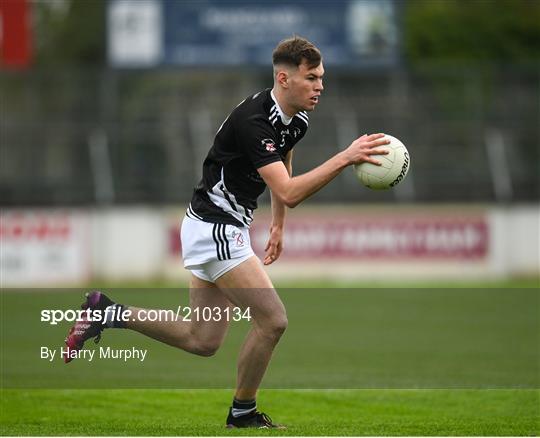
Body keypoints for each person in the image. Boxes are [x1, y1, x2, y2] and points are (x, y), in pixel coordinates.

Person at [64, 36, 390, 429]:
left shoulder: (296, 119)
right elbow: (289, 189)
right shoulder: (254, 121)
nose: (320, 85)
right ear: (284, 79)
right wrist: (346, 156)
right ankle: (243, 413)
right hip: (214, 227)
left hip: (212, 225)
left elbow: (283, 159)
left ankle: (108, 312)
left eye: (322, 77)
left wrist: (278, 224)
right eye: (312, 78)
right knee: (273, 321)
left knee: (202, 340)